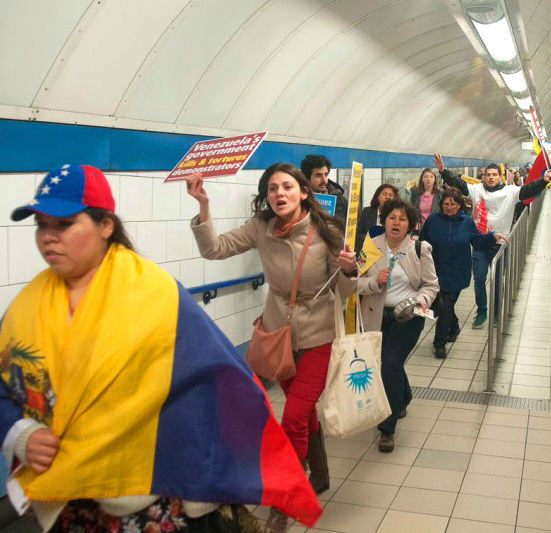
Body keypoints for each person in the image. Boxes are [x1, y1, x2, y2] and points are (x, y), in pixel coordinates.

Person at [1, 165, 321, 532]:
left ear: (106, 226)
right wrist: (19, 432)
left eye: (64, 224)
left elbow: (218, 379)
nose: (48, 238)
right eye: (41, 225)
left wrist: (217, 477)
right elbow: (3, 384)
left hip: (146, 491)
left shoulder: (153, 294)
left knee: (299, 413)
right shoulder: (28, 308)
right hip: (68, 494)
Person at [187, 163, 358, 530]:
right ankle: (321, 475)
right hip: (278, 335)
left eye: (287, 187)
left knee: (293, 416)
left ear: (303, 193)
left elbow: (345, 293)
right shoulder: (261, 228)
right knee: (304, 413)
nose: (279, 194)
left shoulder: (326, 231)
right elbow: (215, 250)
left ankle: (286, 496)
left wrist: (348, 270)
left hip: (318, 335)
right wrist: (203, 206)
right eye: (272, 189)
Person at [357, 200, 439, 453]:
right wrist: (373, 282)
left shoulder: (419, 248)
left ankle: (387, 428)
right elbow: (353, 282)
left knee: (390, 364)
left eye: (402, 219)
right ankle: (403, 397)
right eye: (392, 217)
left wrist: (422, 300)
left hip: (407, 317)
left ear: (411, 224)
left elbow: (431, 285)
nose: (396, 223)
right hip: (375, 316)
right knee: (387, 364)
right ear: (384, 220)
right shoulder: (370, 247)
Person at [434, 154, 550, 328]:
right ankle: (482, 311)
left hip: (500, 245)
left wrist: (543, 181)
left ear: (500, 176)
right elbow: (458, 184)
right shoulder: (476, 189)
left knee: (497, 281)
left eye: (494, 174)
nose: (491, 177)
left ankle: (496, 313)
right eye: (488, 174)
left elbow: (529, 190)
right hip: (480, 244)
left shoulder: (511, 192)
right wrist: (442, 170)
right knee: (479, 279)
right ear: (484, 176)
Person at [420, 188, 504, 358]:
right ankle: (454, 325)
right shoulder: (433, 221)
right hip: (436, 271)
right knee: (443, 305)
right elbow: (423, 242)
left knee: (445, 305)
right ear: (441, 204)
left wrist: (492, 237)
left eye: (454, 204)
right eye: (446, 204)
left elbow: (478, 242)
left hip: (458, 272)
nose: (450, 207)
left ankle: (439, 344)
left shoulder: (467, 222)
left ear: (460, 205)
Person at [301, 154, 347, 224]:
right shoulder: (299, 201)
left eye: (326, 174)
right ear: (307, 178)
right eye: (318, 175)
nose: (324, 180)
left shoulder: (339, 199)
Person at [355, 183, 398, 253]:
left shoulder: (397, 215)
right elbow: (358, 234)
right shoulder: (366, 212)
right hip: (368, 253)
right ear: (378, 196)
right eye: (384, 194)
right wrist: (371, 242)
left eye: (391, 195)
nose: (388, 197)